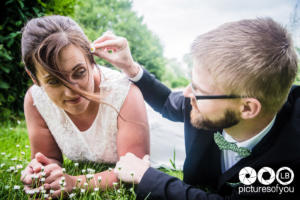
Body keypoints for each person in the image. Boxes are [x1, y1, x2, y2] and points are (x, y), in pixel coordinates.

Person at [92, 18, 300, 199]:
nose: (186, 94)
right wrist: (129, 66)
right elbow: (166, 101)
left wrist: (147, 177)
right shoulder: (211, 102)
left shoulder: (289, 164)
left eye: (198, 89)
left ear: (247, 108)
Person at [20, 15, 149, 197]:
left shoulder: (125, 92)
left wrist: (74, 182)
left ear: (90, 59)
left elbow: (134, 171)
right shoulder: (35, 100)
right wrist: (42, 173)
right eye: (54, 81)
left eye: (79, 72)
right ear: (34, 77)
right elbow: (49, 157)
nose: (71, 91)